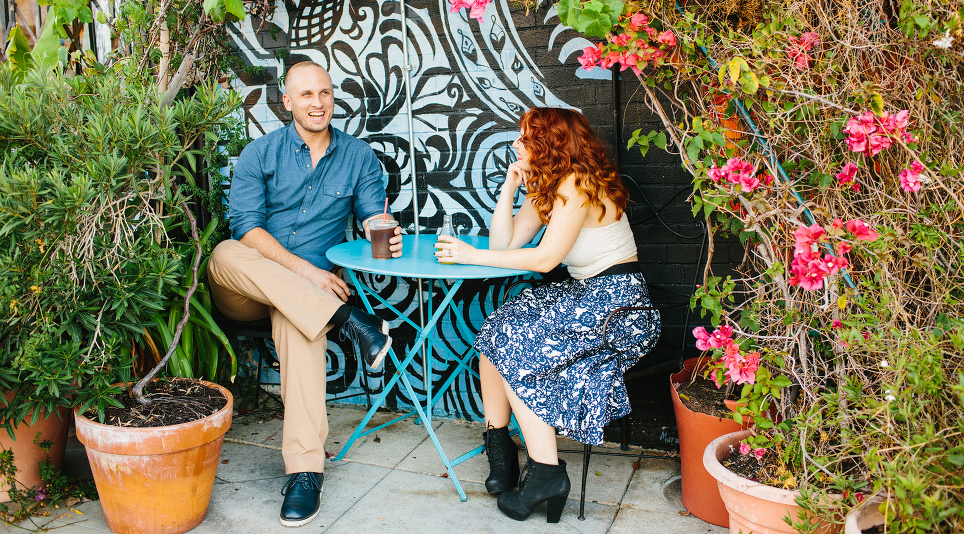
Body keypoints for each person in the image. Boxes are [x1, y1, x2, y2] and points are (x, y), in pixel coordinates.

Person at [435, 107, 660, 524]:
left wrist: (470, 255)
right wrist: (509, 187)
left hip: (617, 306)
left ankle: (546, 475)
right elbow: (505, 242)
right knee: (496, 332)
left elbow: (545, 259)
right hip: (586, 296)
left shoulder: (578, 183)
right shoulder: (554, 187)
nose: (516, 144)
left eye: (524, 137)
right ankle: (501, 452)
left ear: (549, 143)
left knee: (516, 348)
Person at [207, 61, 402, 528]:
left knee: (299, 320)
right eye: (307, 95)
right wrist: (307, 274)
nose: (318, 103)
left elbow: (375, 214)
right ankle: (348, 319)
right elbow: (246, 227)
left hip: (306, 302)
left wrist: (384, 230)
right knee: (225, 252)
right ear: (287, 102)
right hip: (248, 287)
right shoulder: (260, 154)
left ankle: (304, 472)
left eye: (326, 93)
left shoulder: (357, 157)